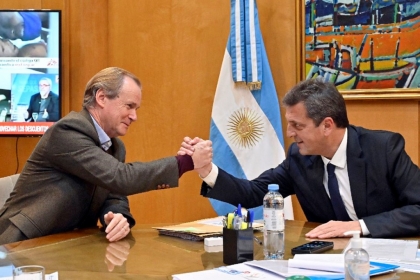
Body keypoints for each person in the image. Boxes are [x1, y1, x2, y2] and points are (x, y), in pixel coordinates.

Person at [181, 78, 420, 239]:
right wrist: (206, 169)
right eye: (288, 124)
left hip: (391, 259)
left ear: (327, 125)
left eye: (297, 125)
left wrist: (358, 226)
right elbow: (253, 192)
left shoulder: (383, 149)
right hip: (328, 263)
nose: (289, 134)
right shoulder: (300, 158)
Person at [0, 67, 210, 245]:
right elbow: (120, 177)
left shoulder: (116, 147)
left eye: (136, 108)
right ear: (101, 97)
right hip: (23, 245)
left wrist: (116, 215)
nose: (135, 116)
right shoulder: (68, 131)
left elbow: (114, 194)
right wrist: (186, 162)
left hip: (71, 244)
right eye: (129, 106)